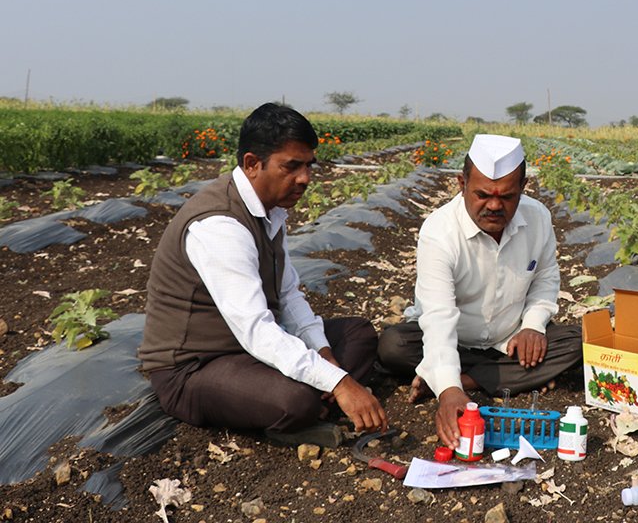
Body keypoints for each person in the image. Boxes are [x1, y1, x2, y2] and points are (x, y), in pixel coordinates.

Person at [139, 103, 387, 448]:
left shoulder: (270, 210)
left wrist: (325, 355)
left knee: (358, 334)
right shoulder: (220, 224)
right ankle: (299, 414)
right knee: (295, 398)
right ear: (252, 164)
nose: (305, 178)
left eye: (308, 165)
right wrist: (340, 382)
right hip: (196, 367)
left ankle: (309, 405)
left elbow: (288, 296)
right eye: (292, 166)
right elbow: (255, 329)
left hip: (248, 352)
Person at [378, 134, 582, 450]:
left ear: (523, 188)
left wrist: (532, 326)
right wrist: (449, 396)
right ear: (461, 184)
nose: (494, 205)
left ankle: (459, 379)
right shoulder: (440, 231)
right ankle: (462, 377)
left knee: (574, 344)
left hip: (508, 342)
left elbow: (545, 278)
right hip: (452, 340)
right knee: (393, 345)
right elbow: (439, 316)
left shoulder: (538, 217)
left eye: (507, 197)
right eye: (483, 195)